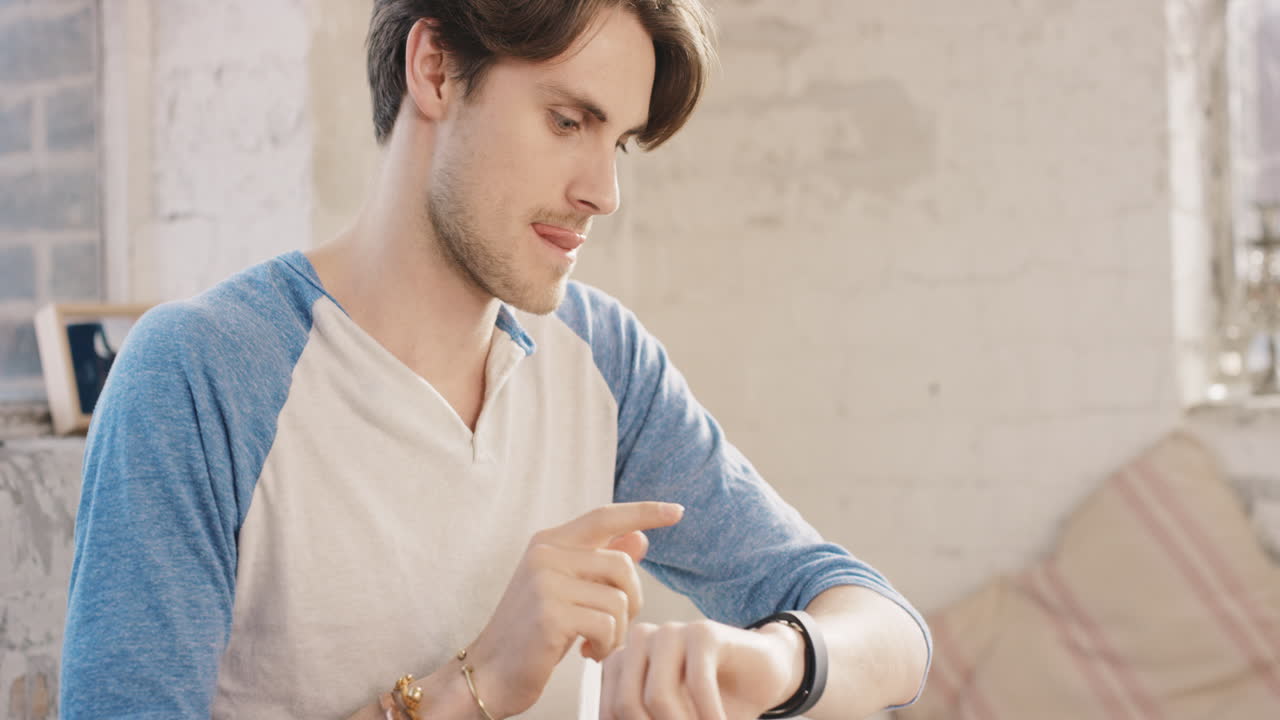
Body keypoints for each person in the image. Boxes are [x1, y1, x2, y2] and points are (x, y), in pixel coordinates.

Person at [59, 1, 932, 718]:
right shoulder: (199, 377)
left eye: (617, 140)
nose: (605, 191)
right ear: (435, 69)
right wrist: (466, 689)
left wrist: (774, 658)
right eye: (567, 121)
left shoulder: (602, 359)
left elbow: (885, 628)